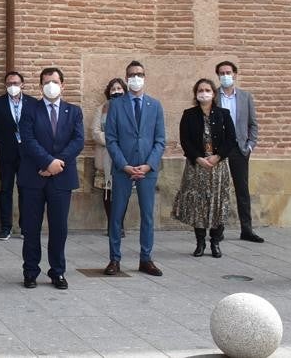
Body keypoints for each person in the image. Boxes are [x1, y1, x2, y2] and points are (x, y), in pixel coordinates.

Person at [19, 67, 83, 289]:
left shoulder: (74, 112)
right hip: (34, 177)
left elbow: (78, 141)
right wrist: (47, 162)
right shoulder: (29, 110)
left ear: (63, 85)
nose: (51, 85)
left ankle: (57, 272)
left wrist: (58, 164)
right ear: (40, 86)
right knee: (31, 227)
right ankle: (30, 271)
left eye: (55, 81)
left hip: (61, 178)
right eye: (46, 82)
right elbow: (27, 140)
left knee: (59, 228)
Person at [104, 60, 167, 277]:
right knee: (116, 215)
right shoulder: (116, 105)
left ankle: (146, 259)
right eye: (131, 75)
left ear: (145, 77)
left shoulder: (155, 105)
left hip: (147, 169)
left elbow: (160, 140)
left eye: (139, 74)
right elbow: (111, 139)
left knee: (147, 215)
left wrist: (149, 165)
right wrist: (124, 165)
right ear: (127, 77)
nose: (136, 78)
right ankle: (114, 259)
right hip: (124, 169)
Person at [171, 78, 236, 259]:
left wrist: (217, 156)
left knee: (218, 203)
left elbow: (231, 139)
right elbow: (185, 141)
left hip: (218, 166)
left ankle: (215, 242)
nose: (204, 93)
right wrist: (198, 158)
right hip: (197, 166)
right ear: (196, 93)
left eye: (207, 90)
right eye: (200, 90)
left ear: (213, 93)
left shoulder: (223, 114)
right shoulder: (189, 114)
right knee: (198, 204)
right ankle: (200, 242)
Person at [216, 61, 263, 243]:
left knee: (242, 190)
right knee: (220, 189)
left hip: (240, 149)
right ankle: (218, 229)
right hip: (220, 150)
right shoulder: (214, 98)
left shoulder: (245, 97)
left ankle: (247, 229)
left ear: (235, 74)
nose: (225, 75)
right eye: (222, 73)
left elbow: (253, 124)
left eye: (228, 72)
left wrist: (250, 145)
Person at [0, 71, 34, 241]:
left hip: (27, 154)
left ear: (23, 84)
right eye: (9, 83)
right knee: (5, 190)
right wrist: (3, 141)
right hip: (6, 152)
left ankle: (25, 226)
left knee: (25, 191)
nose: (12, 86)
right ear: (5, 85)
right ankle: (6, 227)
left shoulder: (33, 103)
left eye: (16, 82)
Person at [90, 78, 126, 236]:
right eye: (113, 89)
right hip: (105, 156)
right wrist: (112, 141)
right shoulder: (102, 109)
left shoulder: (129, 109)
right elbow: (95, 132)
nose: (116, 91)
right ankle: (112, 225)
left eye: (119, 88)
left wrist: (122, 143)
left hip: (124, 157)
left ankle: (121, 225)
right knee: (108, 192)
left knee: (123, 192)